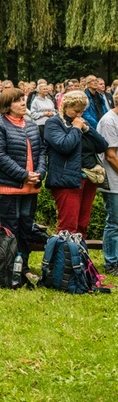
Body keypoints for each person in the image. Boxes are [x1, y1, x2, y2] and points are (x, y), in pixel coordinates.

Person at [0, 88, 47, 282]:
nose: (23, 103)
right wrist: (23, 175)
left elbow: (40, 153)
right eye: (18, 101)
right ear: (7, 105)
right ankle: (9, 267)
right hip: (9, 187)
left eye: (23, 100)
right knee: (10, 228)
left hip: (31, 186)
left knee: (26, 228)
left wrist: (39, 173)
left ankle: (24, 267)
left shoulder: (31, 125)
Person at [44, 90, 108, 236]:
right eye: (76, 111)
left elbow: (102, 146)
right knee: (68, 226)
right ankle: (65, 258)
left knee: (82, 225)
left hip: (88, 178)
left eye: (82, 111)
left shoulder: (81, 122)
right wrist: (76, 129)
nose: (79, 115)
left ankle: (79, 257)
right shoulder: (53, 123)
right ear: (65, 107)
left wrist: (87, 129)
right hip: (66, 179)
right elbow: (64, 146)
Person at [98, 93, 118, 276]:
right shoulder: (109, 121)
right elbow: (110, 155)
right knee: (114, 222)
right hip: (113, 181)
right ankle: (111, 262)